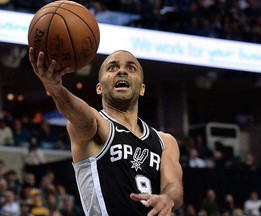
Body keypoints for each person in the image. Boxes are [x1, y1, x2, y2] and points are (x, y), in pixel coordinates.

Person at [29, 48, 183, 215]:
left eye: (131, 68)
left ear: (142, 89)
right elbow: (80, 114)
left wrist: (168, 198)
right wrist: (57, 91)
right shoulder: (97, 125)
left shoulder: (165, 141)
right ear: (99, 88)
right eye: (112, 68)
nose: (122, 71)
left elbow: (173, 186)